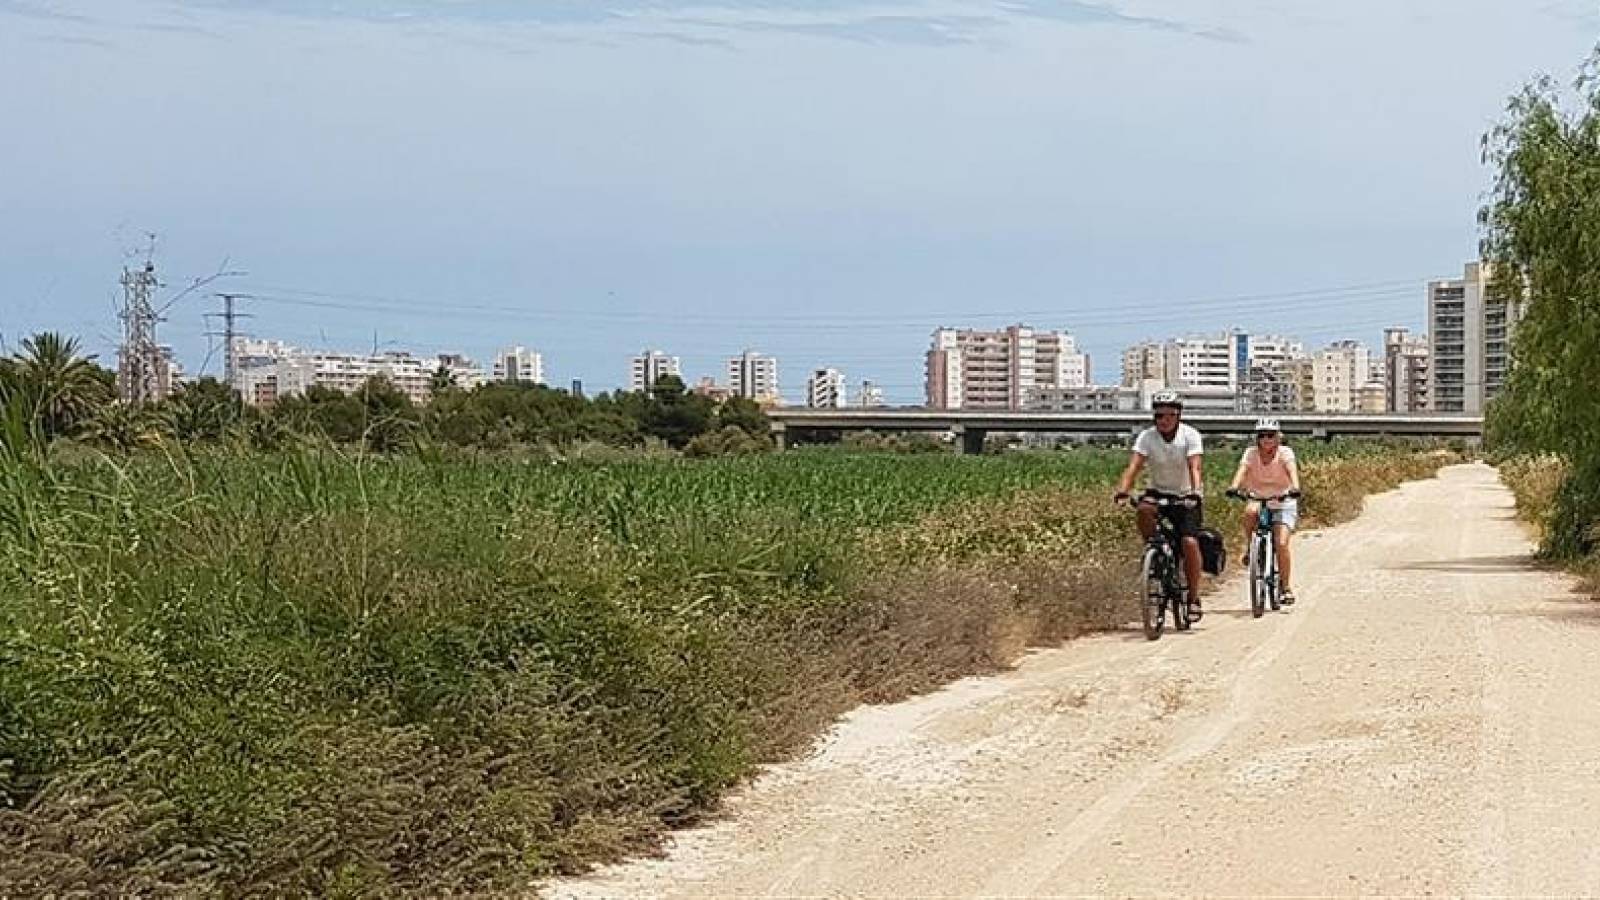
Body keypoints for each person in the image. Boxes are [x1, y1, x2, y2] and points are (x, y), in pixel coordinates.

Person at [1113, 390, 1206, 620]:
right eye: (1158, 416)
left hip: (1185, 496)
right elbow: (1133, 467)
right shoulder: (1147, 437)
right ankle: (1153, 552)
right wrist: (1123, 490)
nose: (1163, 420)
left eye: (1168, 415)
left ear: (1178, 416)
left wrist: (1195, 493)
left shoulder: (1190, 435)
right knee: (1144, 508)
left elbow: (1195, 467)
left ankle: (1193, 597)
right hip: (1158, 492)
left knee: (1189, 542)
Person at [1225, 417, 1302, 605]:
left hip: (1283, 500)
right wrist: (1234, 486)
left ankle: (1285, 587)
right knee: (1250, 513)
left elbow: (1292, 471)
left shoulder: (1285, 453)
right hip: (1258, 497)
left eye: (1271, 435)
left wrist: (1295, 487)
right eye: (1262, 435)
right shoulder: (1250, 454)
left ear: (1278, 437)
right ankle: (1251, 547)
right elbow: (1242, 470)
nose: (1266, 439)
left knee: (1281, 543)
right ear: (1257, 438)